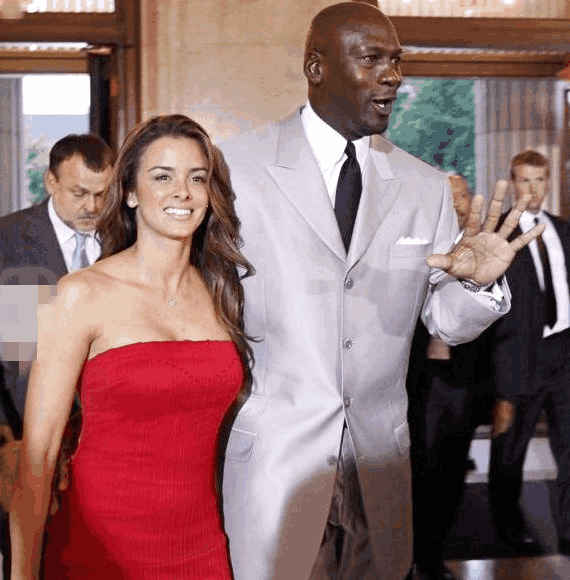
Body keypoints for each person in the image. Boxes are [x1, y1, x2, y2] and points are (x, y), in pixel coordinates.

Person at [218, 3, 542, 579]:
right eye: (372, 60)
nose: (392, 76)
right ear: (316, 68)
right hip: (274, 467)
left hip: (380, 468)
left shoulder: (423, 185)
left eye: (396, 61)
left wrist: (480, 284)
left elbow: (445, 320)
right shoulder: (238, 170)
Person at [9, 114, 253, 579]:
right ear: (130, 192)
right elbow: (37, 461)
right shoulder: (80, 293)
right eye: (162, 177)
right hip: (97, 553)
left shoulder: (223, 292)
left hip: (201, 550)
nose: (182, 192)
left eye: (196, 178)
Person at [0, 133, 113, 576]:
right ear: (51, 181)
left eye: (102, 194)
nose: (92, 207)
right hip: (26, 438)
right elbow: (11, 353)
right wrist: (6, 439)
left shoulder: (126, 237)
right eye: (79, 193)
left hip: (105, 443)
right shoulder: (8, 240)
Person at [406, 175, 493, 580]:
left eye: (461, 196)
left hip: (462, 381)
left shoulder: (485, 249)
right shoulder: (413, 246)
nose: (456, 203)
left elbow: (499, 323)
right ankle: (405, 558)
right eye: (449, 196)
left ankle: (432, 556)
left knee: (451, 473)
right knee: (413, 473)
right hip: (416, 382)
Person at [487, 150, 570, 556]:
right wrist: (501, 382)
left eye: (540, 180)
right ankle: (507, 528)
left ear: (548, 182)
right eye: (525, 180)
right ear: (512, 183)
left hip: (564, 355)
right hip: (520, 359)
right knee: (510, 450)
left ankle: (568, 529)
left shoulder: (564, 230)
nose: (533, 189)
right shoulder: (497, 238)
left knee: (569, 449)